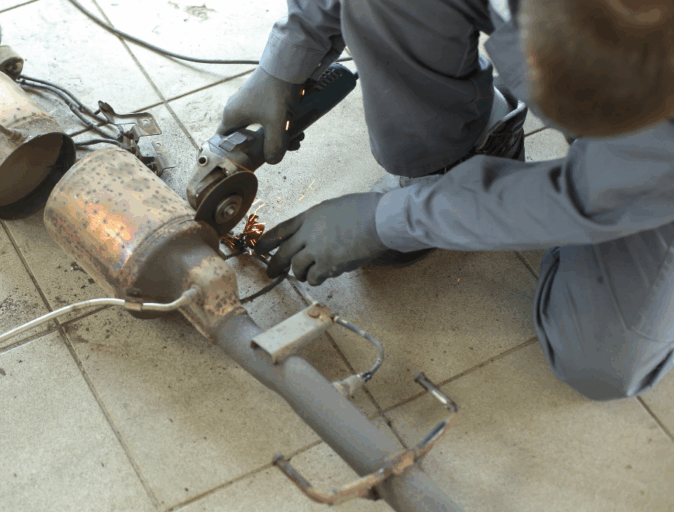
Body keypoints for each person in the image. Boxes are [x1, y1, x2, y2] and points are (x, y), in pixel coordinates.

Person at [217, 0, 674, 401]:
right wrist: (286, 59)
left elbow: (592, 195)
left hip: (657, 164)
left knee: (598, 361)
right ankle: (465, 151)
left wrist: (391, 219)